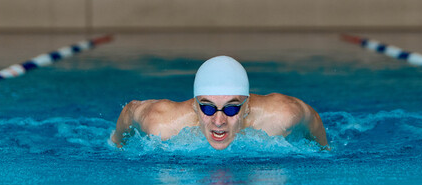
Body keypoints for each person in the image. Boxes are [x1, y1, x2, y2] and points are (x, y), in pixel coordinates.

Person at [110, 56, 328, 150]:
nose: (219, 120)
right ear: (195, 106)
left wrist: (325, 150)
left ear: (247, 107)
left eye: (232, 108)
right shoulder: (162, 125)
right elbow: (130, 111)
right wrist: (116, 143)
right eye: (207, 107)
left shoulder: (282, 116)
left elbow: (313, 119)